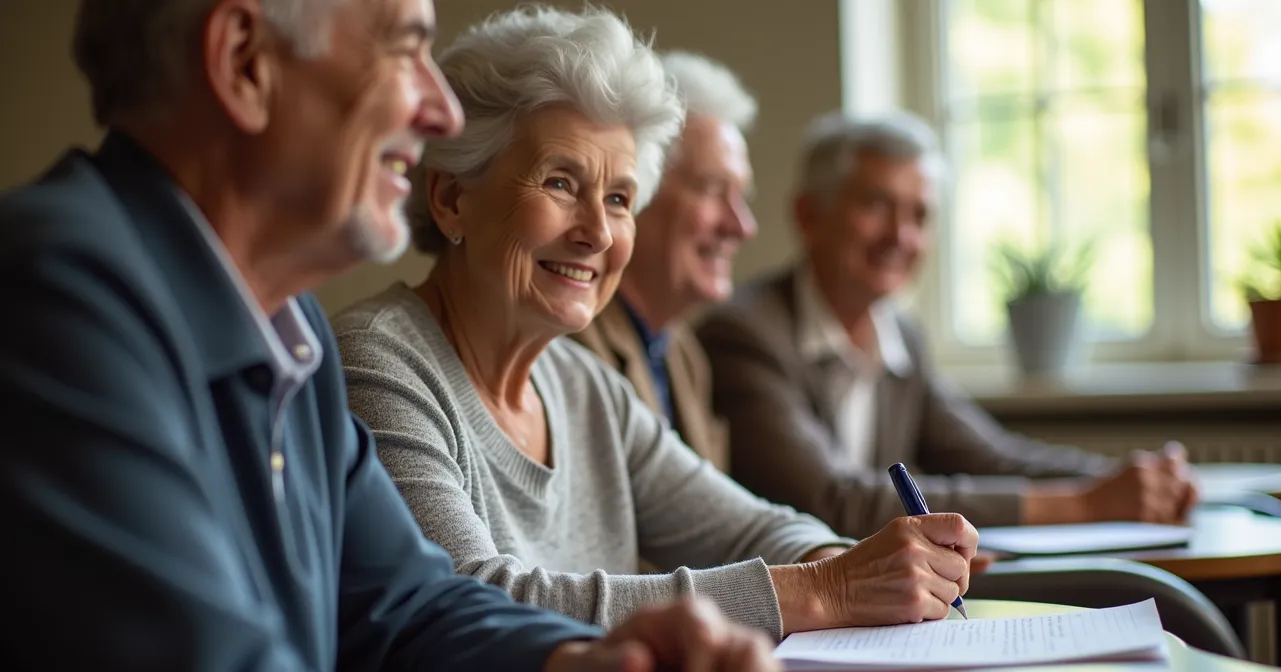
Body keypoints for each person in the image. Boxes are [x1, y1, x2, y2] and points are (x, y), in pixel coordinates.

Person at [0, 0, 784, 668]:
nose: (439, 110)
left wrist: (581, 660)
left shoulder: (287, 320)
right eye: (407, 48)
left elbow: (407, 604)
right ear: (245, 63)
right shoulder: (58, 290)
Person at [335, 6, 980, 643]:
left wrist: (851, 564)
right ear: (451, 198)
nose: (597, 232)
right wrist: (828, 588)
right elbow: (476, 604)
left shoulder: (584, 387)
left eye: (618, 198)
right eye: (561, 183)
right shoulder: (377, 364)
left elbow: (756, 527)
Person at [696, 110, 1199, 540]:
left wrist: (1127, 482)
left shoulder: (902, 337)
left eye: (920, 215)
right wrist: (1085, 506)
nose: (902, 236)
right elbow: (831, 500)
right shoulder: (744, 334)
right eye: (876, 205)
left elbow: (989, 456)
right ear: (808, 215)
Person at [569, 51, 757, 472]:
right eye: (713, 189)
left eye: (741, 195)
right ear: (638, 193)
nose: (742, 226)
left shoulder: (684, 354)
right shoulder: (571, 340)